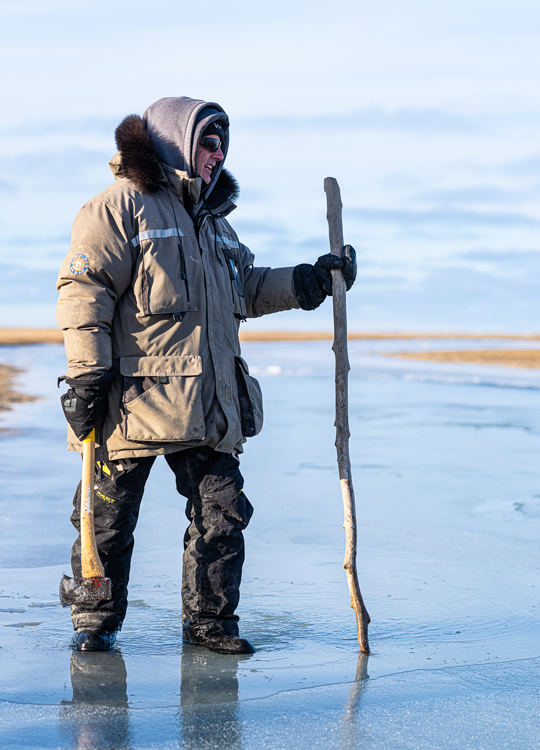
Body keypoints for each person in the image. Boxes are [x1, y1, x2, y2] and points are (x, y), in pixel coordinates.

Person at [55, 96, 356, 654]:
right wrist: (86, 377)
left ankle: (211, 624)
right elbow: (84, 292)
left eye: (223, 144)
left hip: (207, 403)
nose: (218, 155)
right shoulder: (118, 209)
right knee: (106, 521)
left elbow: (248, 286)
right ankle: (95, 624)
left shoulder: (216, 225)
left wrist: (311, 281)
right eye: (208, 142)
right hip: (129, 404)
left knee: (223, 515)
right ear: (176, 142)